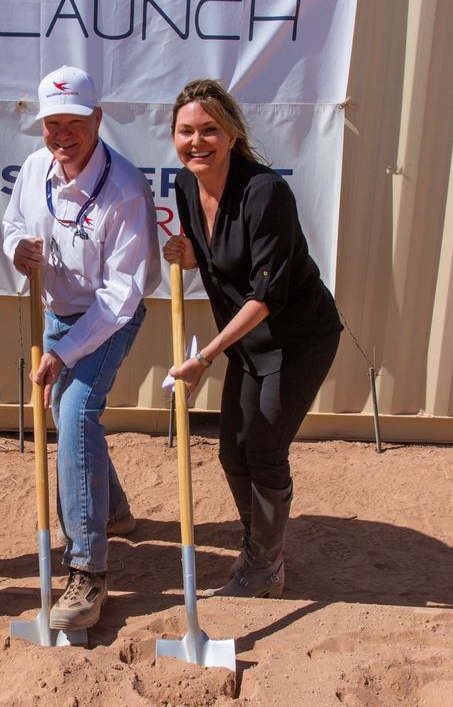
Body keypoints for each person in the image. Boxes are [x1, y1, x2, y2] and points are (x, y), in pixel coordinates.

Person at [162, 79, 341, 598]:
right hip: (248, 339)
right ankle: (258, 545)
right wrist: (189, 253)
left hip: (296, 337)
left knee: (263, 446)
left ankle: (265, 566)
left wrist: (207, 358)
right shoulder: (184, 185)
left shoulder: (266, 192)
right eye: (186, 131)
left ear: (234, 132)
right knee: (231, 449)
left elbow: (264, 294)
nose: (197, 142)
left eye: (209, 130)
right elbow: (218, 258)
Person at [1, 65, 160, 630]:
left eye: (73, 122)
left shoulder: (125, 190)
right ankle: (112, 512)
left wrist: (64, 354)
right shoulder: (36, 167)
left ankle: (87, 570)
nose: (61, 134)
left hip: (107, 318)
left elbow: (122, 295)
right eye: (51, 124)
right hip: (56, 309)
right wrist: (18, 247)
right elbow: (14, 220)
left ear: (97, 118)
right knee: (71, 420)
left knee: (73, 412)